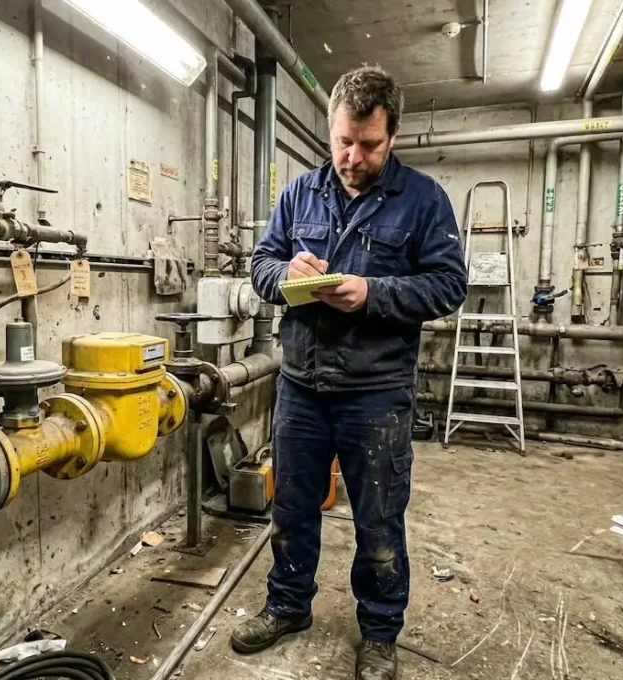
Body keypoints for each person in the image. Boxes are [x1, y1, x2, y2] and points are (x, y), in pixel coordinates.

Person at [235, 66, 468, 680]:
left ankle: (380, 633)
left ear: (392, 136)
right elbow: (262, 262)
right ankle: (288, 606)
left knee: (379, 519)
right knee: (291, 506)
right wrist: (285, 277)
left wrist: (374, 293)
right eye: (342, 141)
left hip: (376, 392)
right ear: (331, 128)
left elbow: (448, 286)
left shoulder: (422, 200)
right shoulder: (299, 194)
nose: (352, 156)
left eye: (368, 144)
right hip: (301, 387)